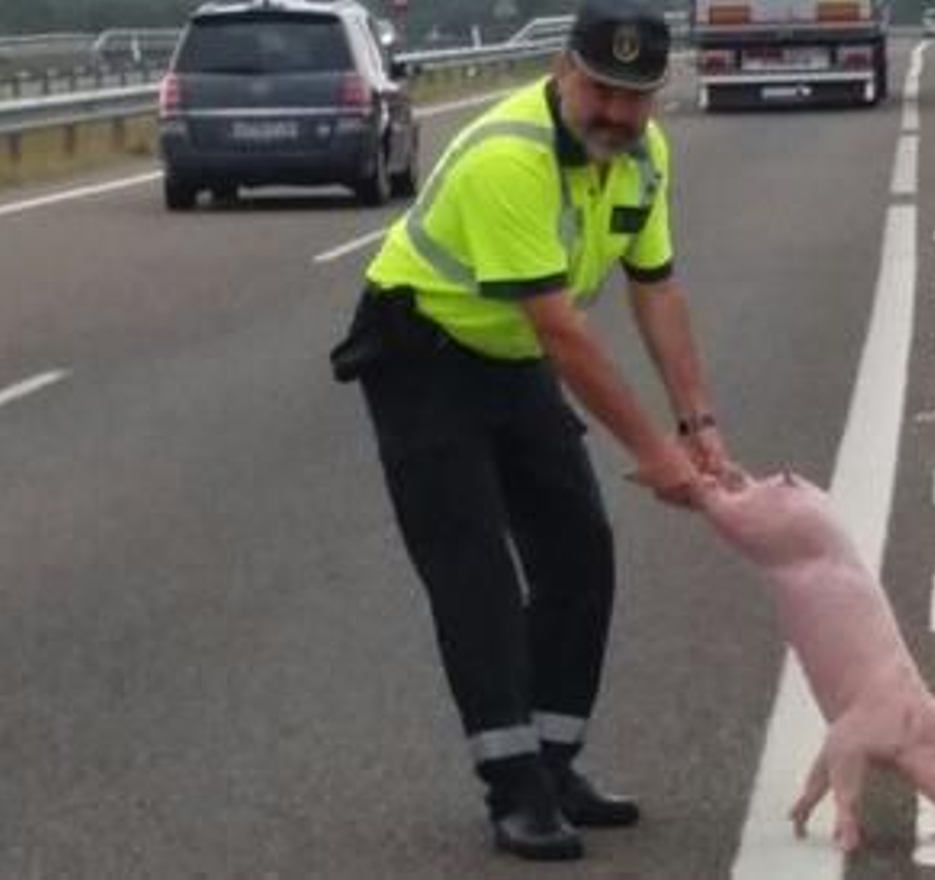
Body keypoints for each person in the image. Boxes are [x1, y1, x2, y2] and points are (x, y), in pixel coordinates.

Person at [329, 0, 731, 862]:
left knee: (580, 552)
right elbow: (564, 333)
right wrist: (654, 455)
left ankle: (555, 763)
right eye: (602, 93)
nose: (618, 116)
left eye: (637, 98)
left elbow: (655, 285)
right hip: (423, 356)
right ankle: (513, 789)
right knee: (473, 571)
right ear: (562, 71)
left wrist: (696, 420)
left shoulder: (643, 157)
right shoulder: (510, 158)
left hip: (510, 359)